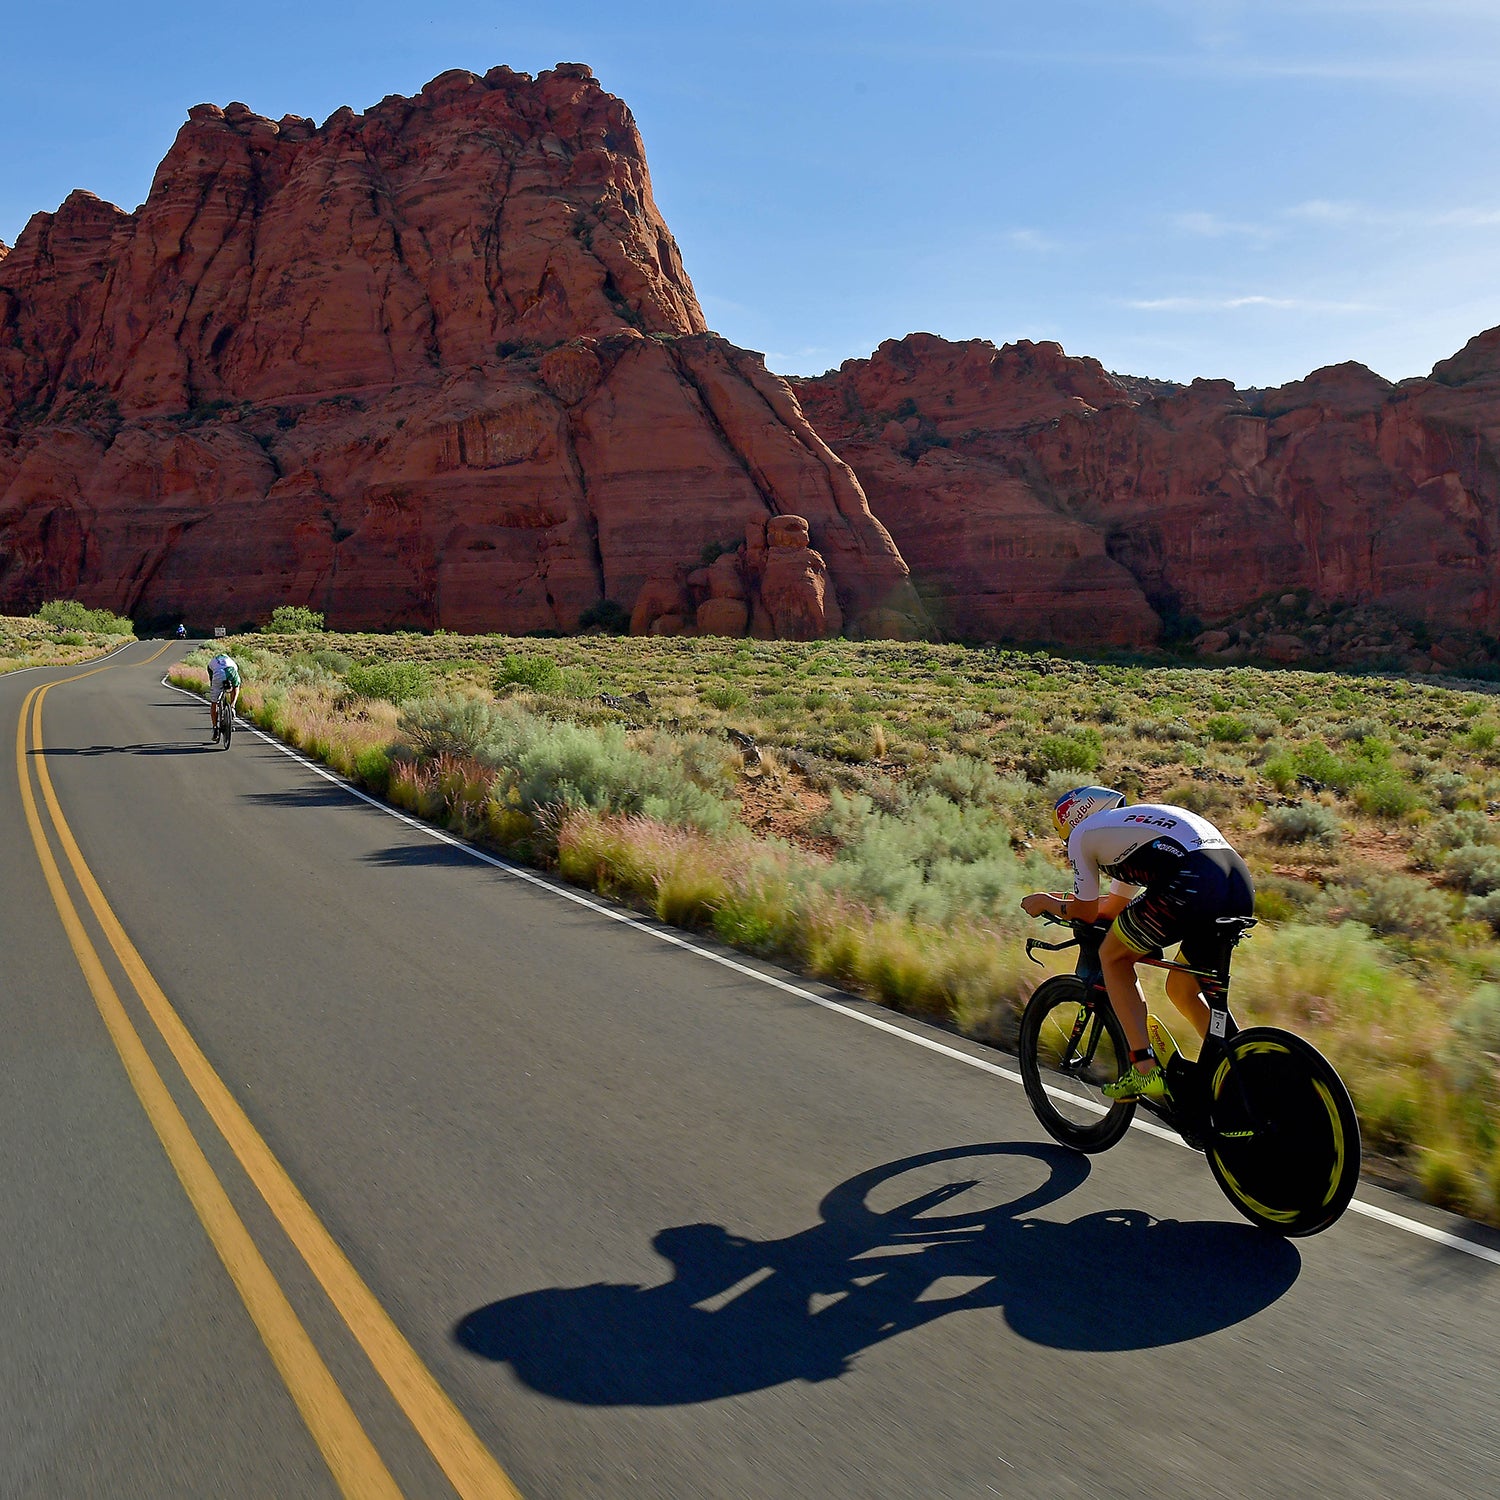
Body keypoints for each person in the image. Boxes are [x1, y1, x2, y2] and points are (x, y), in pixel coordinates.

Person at [1021, 786, 1254, 1101]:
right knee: (1181, 989)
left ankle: (1143, 1069)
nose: (1067, 844)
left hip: (1193, 879)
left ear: (1073, 820)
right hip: (1235, 880)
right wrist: (1065, 902)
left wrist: (1047, 901)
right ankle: (1241, 1071)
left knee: (1113, 956)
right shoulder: (1129, 828)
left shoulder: (1083, 835)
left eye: (1064, 837)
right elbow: (1114, 906)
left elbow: (1087, 912)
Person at [206, 651, 242, 741]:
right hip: (231, 671)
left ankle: (215, 729)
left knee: (214, 702)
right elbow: (235, 671)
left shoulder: (211, 663)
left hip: (218, 674)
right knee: (236, 686)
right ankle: (233, 705)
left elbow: (211, 678)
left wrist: (214, 687)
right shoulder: (231, 661)